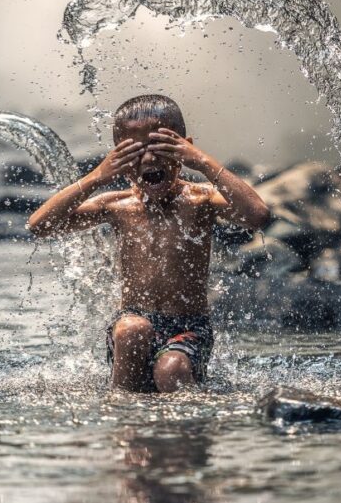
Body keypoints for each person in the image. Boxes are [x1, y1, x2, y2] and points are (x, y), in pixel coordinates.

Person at [28, 94, 271, 392]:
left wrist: (204, 162)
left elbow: (257, 215)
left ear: (184, 148)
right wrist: (97, 176)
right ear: (116, 157)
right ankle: (121, 413)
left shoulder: (201, 200)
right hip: (130, 325)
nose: (149, 159)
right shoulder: (117, 205)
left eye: (160, 146)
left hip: (188, 328)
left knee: (172, 370)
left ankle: (181, 429)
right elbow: (40, 226)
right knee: (133, 329)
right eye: (133, 152)